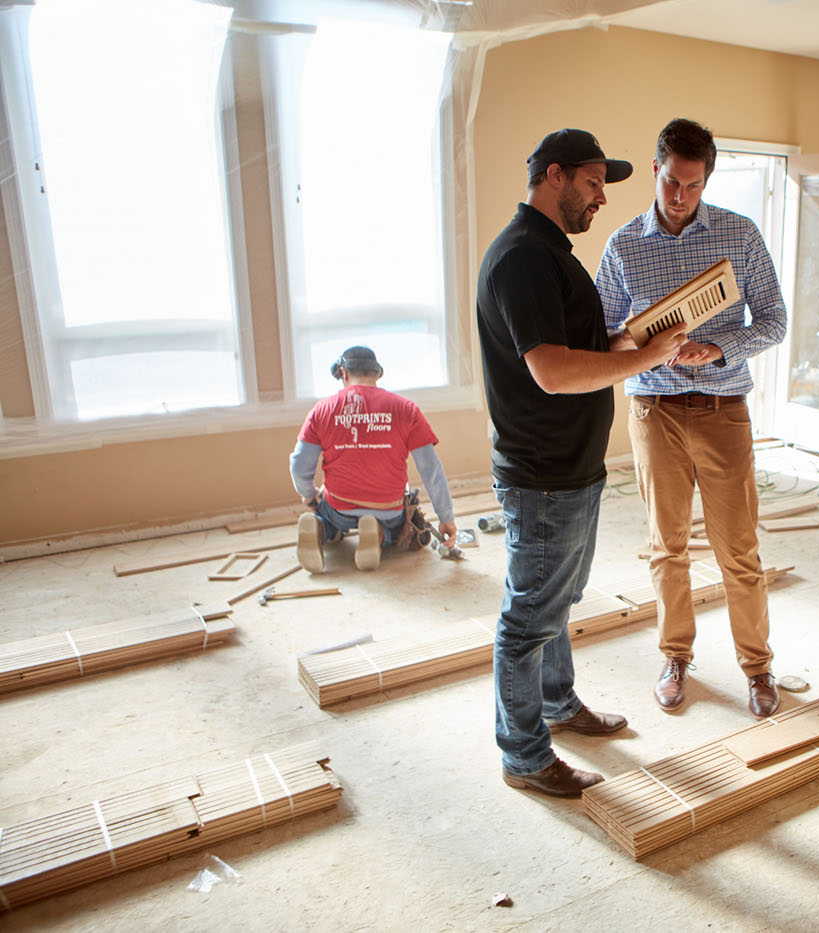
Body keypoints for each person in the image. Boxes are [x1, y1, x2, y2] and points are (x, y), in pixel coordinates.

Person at [477, 128, 687, 798]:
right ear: (556, 175)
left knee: (556, 600)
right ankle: (524, 754)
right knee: (529, 615)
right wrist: (644, 360)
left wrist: (640, 334)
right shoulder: (521, 259)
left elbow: (584, 342)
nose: (601, 199)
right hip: (543, 472)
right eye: (594, 183)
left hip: (571, 466)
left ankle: (558, 703)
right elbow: (553, 370)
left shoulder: (550, 254)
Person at [596, 118, 788, 720]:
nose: (680, 196)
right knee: (667, 546)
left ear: (706, 180)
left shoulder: (740, 234)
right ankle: (675, 657)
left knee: (739, 549)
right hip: (653, 411)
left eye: (693, 186)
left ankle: (758, 668)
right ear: (656, 169)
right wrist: (641, 347)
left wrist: (721, 348)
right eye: (672, 182)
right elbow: (600, 335)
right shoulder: (624, 245)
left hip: (723, 409)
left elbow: (775, 320)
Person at [289, 346, 457, 573]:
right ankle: (378, 532)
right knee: (399, 529)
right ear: (378, 373)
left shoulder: (322, 410)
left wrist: (309, 494)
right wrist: (445, 517)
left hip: (339, 506)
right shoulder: (407, 409)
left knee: (325, 512)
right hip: (387, 507)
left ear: (343, 373)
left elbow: (299, 464)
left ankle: (321, 527)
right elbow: (430, 468)